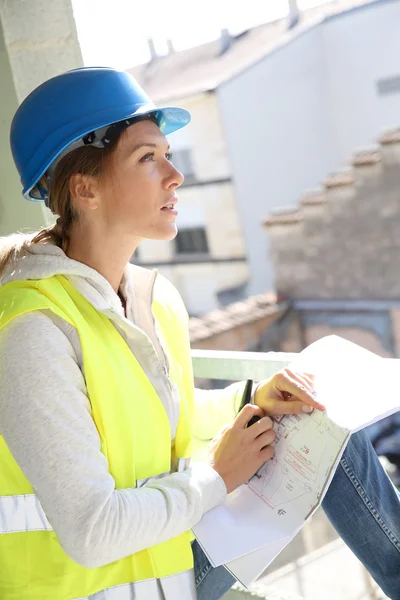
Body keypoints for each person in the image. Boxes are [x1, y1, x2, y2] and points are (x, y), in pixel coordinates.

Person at [0, 67, 398, 600]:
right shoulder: (33, 329)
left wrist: (256, 399)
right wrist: (217, 479)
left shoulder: (150, 298)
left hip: (166, 564)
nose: (175, 174)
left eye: (168, 153)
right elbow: (91, 532)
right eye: (148, 158)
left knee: (320, 415)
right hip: (105, 586)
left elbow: (165, 416)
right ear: (85, 189)